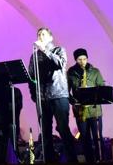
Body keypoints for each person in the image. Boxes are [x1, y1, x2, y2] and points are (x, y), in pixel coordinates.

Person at [28, 27, 77, 163]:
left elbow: (60, 64)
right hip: (42, 97)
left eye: (43, 34)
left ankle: (72, 159)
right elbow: (31, 77)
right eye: (38, 34)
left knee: (63, 128)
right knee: (45, 132)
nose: (40, 36)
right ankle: (49, 159)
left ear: (50, 37)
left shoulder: (59, 50)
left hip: (58, 94)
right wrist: (34, 94)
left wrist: (45, 50)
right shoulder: (34, 55)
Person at [67, 48, 105, 163]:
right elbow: (66, 90)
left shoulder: (95, 71)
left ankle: (100, 159)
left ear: (87, 59)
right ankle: (90, 160)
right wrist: (72, 101)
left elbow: (102, 87)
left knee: (98, 137)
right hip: (80, 111)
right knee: (85, 138)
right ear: (75, 60)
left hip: (95, 111)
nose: (82, 61)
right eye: (79, 59)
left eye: (84, 59)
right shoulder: (71, 72)